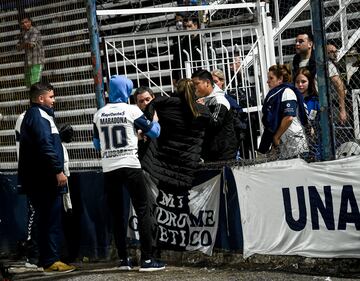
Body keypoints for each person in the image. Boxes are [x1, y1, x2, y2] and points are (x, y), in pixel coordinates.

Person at [92, 75, 165, 272]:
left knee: (117, 214)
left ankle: (124, 259)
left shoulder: (99, 114)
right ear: (125, 91)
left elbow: (96, 143)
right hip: (130, 165)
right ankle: (147, 260)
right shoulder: (132, 110)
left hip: (109, 168)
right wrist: (154, 121)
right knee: (142, 210)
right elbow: (154, 132)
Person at [17, 82, 75, 274]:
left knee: (46, 219)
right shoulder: (39, 116)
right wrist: (58, 170)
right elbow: (45, 146)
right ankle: (51, 260)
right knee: (50, 220)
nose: (54, 100)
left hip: (39, 177)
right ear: (41, 98)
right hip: (44, 178)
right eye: (51, 96)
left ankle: (46, 259)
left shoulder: (38, 116)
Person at [141, 78, 210, 190]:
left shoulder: (164, 106)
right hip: (188, 167)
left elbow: (151, 107)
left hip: (165, 166)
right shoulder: (203, 111)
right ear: (194, 91)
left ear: (177, 89)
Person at [259, 64, 308, 159]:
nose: (267, 81)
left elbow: (288, 118)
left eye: (271, 78)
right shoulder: (278, 93)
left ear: (280, 79)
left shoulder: (287, 92)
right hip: (287, 143)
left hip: (295, 143)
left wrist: (276, 136)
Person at [192, 69, 237, 161]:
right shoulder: (203, 99)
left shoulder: (219, 100)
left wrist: (203, 109)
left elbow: (215, 123)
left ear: (207, 83)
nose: (195, 88)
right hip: (210, 152)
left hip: (223, 154)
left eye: (197, 84)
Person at [295, 67, 321, 160]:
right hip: (299, 141)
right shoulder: (293, 100)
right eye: (297, 82)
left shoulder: (315, 101)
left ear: (309, 82)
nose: (300, 85)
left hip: (315, 142)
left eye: (303, 81)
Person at [16, 16, 45, 88]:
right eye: (22, 23)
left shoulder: (35, 31)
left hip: (36, 62)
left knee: (35, 84)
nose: (25, 24)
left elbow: (31, 45)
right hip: (28, 63)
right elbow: (17, 47)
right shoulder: (23, 33)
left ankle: (36, 99)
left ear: (30, 22)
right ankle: (32, 99)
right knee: (29, 85)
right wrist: (25, 43)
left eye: (26, 22)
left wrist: (23, 44)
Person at [172, 17, 201, 85]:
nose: (187, 29)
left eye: (189, 26)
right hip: (185, 75)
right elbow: (176, 61)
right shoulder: (181, 42)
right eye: (185, 27)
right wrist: (174, 77)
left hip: (199, 75)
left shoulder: (203, 41)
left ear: (196, 26)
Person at [326, 44, 347, 124]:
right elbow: (339, 86)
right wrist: (342, 109)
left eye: (336, 51)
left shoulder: (333, 65)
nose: (335, 54)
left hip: (336, 103)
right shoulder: (329, 65)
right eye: (331, 52)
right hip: (335, 105)